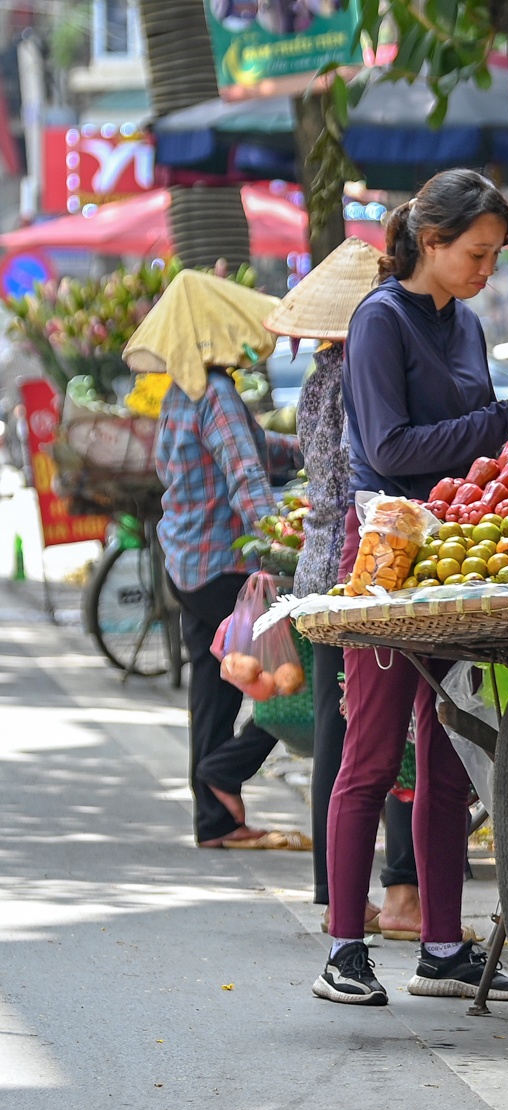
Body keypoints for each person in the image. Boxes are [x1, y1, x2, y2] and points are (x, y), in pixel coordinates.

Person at [315, 169, 508, 1006]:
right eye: (476, 253)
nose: (486, 270)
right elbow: (391, 449)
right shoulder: (379, 320)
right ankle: (344, 947)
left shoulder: (466, 325)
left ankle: (441, 946)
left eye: (494, 256)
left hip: (457, 553)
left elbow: (472, 446)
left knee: (448, 755)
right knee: (371, 752)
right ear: (430, 242)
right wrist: (507, 417)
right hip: (389, 554)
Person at [265, 238, 424, 936]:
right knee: (389, 732)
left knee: (341, 729)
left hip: (318, 562)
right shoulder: (361, 370)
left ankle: (337, 890)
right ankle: (396, 891)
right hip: (361, 564)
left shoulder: (317, 376)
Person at [135, 270, 305, 849]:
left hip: (187, 562)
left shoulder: (184, 392)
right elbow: (247, 478)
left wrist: (310, 451)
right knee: (293, 676)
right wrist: (281, 539)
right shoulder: (217, 394)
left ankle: (216, 819)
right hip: (223, 568)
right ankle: (225, 769)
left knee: (215, 685)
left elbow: (255, 449)